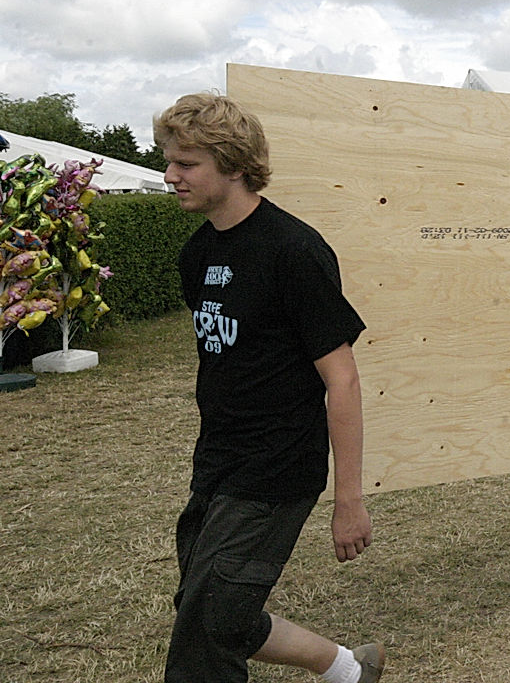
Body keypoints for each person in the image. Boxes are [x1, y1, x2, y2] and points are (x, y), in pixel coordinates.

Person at [155, 94, 385, 683]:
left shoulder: (293, 251)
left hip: (277, 467)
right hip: (217, 461)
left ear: (233, 164)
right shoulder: (197, 254)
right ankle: (348, 670)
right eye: (169, 160)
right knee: (209, 611)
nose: (170, 175)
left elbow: (342, 380)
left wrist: (349, 500)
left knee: (207, 627)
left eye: (187, 163)